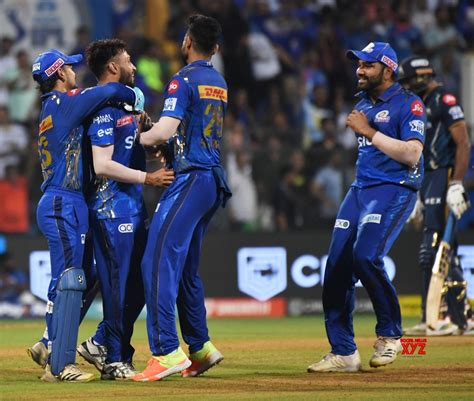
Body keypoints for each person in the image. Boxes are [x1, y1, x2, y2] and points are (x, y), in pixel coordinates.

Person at [307, 42, 426, 373]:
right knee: (336, 267)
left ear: (388, 70)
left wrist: (368, 131)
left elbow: (412, 154)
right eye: (358, 64)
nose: (359, 70)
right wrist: (367, 127)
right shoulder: (363, 104)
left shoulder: (409, 104)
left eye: (368, 65)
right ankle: (344, 351)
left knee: (365, 256)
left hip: (394, 189)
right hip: (360, 190)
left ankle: (390, 336)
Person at [29, 48, 143, 382]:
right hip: (63, 201)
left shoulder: (55, 108)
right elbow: (108, 90)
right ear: (60, 73)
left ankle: (49, 343)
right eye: (69, 65)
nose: (75, 69)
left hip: (65, 201)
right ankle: (60, 365)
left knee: (86, 276)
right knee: (70, 280)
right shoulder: (62, 104)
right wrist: (133, 95)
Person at [132, 14, 231, 382]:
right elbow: (187, 134)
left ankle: (165, 351)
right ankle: (200, 347)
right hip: (211, 182)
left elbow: (165, 131)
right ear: (216, 48)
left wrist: (132, 137)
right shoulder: (218, 81)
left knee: (156, 262)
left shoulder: (183, 79)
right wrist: (161, 136)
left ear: (187, 42)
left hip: (190, 180)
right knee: (186, 268)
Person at [73, 39, 175, 380]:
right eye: (128, 60)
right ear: (114, 67)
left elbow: (131, 144)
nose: (134, 66)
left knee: (140, 285)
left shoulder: (125, 107)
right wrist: (149, 177)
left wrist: (160, 143)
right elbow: (102, 165)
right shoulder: (103, 110)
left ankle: (101, 343)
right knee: (115, 288)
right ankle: (115, 359)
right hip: (110, 211)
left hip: (131, 208)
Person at [398, 56, 473, 336]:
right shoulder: (418, 105)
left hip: (445, 175)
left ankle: (454, 317)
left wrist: (456, 184)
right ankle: (442, 316)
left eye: (407, 81)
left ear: (420, 77)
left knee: (437, 248)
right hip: (428, 180)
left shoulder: (445, 99)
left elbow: (463, 142)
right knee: (436, 250)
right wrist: (416, 191)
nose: (404, 87)